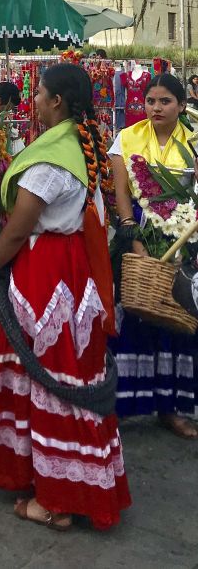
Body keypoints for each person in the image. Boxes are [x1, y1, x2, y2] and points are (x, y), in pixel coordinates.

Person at [0, 63, 130, 531]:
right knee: (69, 370)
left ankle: (57, 498)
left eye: (38, 94)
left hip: (47, 278)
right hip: (77, 273)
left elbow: (21, 225)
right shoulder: (84, 145)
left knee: (48, 374)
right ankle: (59, 482)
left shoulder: (50, 160)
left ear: (56, 102)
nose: (34, 100)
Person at [109, 71, 198, 438]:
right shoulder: (126, 138)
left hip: (185, 234)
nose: (156, 107)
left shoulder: (193, 139)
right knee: (135, 315)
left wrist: (185, 243)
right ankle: (124, 405)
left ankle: (171, 408)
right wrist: (134, 238)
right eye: (150, 101)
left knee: (179, 320)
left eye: (165, 101)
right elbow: (121, 194)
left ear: (181, 104)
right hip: (138, 233)